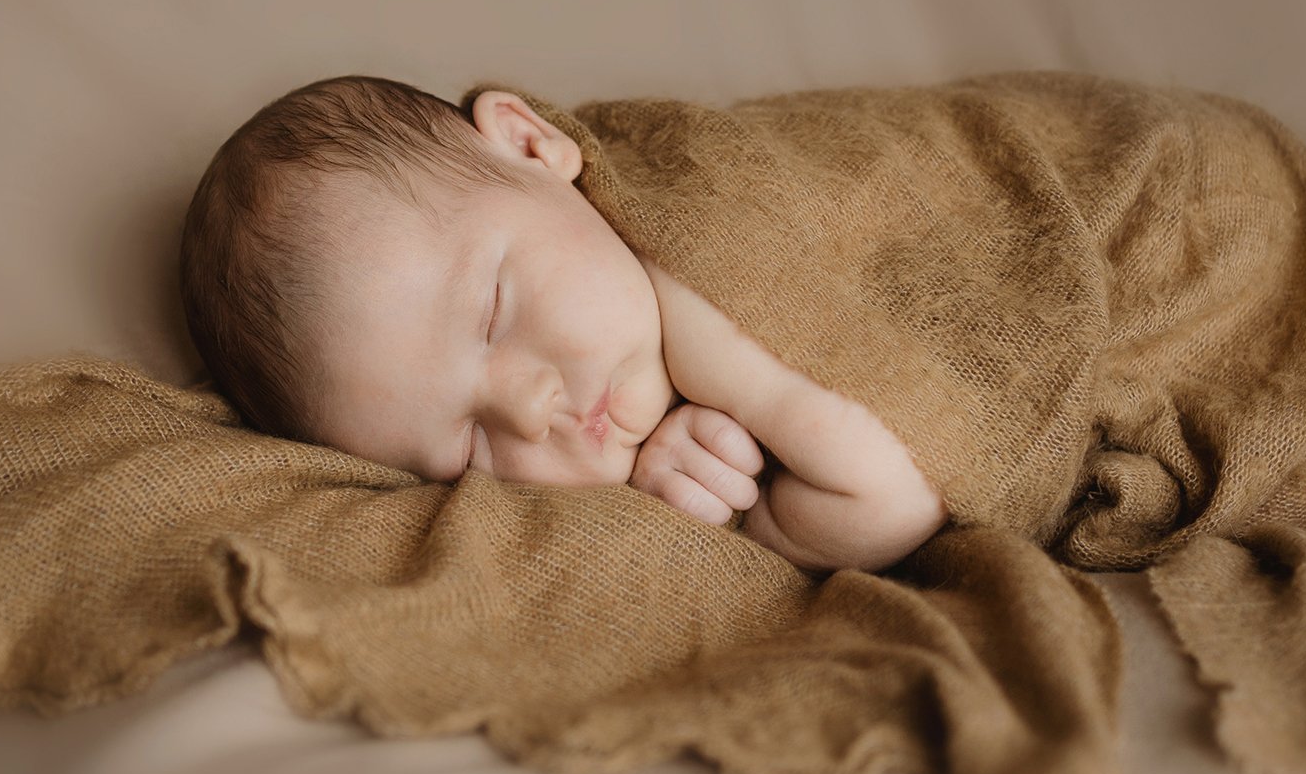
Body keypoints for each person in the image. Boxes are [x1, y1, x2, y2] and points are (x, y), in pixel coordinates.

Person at [178, 75, 946, 572]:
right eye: (467, 444)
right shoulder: (628, 399)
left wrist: (764, 533)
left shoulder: (699, 254)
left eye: (491, 314)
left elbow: (894, 488)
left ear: (529, 144)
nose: (528, 410)